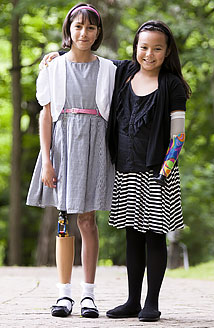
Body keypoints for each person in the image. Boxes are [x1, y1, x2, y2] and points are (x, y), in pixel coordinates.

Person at [26, 3, 116, 318]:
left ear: (98, 32)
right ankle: (63, 294)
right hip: (63, 145)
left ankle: (88, 295)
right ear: (69, 30)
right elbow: (46, 115)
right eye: (78, 26)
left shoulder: (109, 69)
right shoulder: (54, 66)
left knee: (88, 220)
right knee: (64, 218)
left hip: (95, 144)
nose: (84, 33)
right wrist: (47, 160)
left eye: (91, 28)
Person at [105, 20, 191, 322]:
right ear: (135, 48)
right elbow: (88, 58)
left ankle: (151, 303)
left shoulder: (172, 85)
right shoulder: (124, 73)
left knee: (155, 235)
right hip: (127, 169)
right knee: (132, 236)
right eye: (144, 47)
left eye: (157, 48)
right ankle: (132, 300)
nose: (149, 54)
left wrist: (166, 169)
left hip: (158, 171)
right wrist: (57, 55)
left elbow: (178, 135)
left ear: (167, 52)